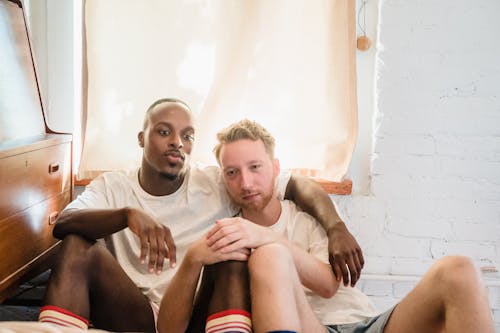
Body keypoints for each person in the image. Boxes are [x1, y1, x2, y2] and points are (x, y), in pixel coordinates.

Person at [38, 98, 363, 332]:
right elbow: (64, 224)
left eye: (188, 136)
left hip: (193, 312)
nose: (177, 143)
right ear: (142, 138)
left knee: (232, 246)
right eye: (164, 132)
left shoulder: (217, 181)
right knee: (75, 247)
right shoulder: (113, 186)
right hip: (132, 312)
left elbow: (296, 184)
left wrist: (336, 227)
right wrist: (128, 215)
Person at [159, 119, 494, 333]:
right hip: (314, 327)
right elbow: (169, 328)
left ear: (276, 168)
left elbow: (329, 285)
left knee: (459, 270)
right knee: (270, 257)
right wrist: (193, 259)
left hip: (370, 323)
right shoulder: (228, 233)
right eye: (232, 173)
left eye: (255, 167)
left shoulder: (303, 219)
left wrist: (263, 235)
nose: (246, 182)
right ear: (224, 179)